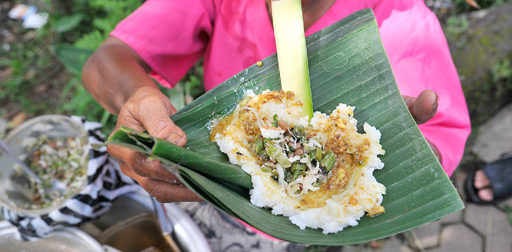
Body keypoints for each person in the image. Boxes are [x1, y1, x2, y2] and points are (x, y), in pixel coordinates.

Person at [82, 0, 471, 203]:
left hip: (305, 205)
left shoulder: (403, 25)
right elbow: (108, 59)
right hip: (217, 175)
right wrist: (138, 95)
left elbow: (435, 142)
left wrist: (411, 160)